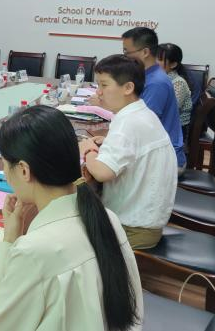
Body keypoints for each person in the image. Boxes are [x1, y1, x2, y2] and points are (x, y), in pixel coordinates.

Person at [0, 105, 142, 331]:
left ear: (24, 170)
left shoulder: (35, 251)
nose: (5, 174)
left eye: (5, 165)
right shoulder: (106, 218)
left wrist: (9, 241)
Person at [79, 55, 177, 250]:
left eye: (104, 85)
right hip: (146, 220)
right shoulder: (141, 113)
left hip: (134, 230)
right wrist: (107, 142)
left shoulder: (128, 124)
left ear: (128, 88)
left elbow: (102, 173)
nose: (98, 92)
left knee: (70, 234)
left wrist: (88, 149)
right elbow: (134, 148)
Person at [121, 27, 185, 169]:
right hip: (150, 149)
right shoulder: (147, 75)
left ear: (145, 52)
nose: (124, 57)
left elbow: (142, 126)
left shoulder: (156, 83)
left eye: (127, 52)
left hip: (165, 161)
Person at [156, 43, 193, 136]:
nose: (155, 62)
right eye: (154, 58)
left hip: (175, 129)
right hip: (162, 124)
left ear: (173, 64)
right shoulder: (158, 78)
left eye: (159, 59)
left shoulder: (178, 83)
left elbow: (170, 111)